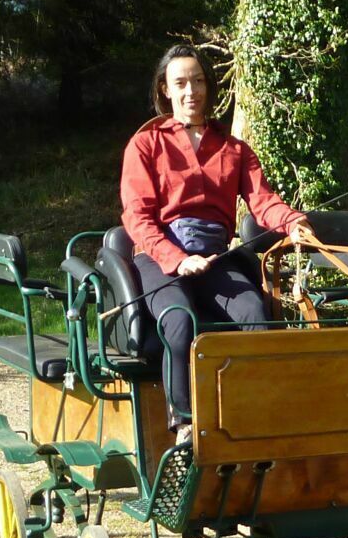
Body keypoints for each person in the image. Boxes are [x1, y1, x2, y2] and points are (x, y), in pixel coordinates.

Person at [119, 46, 307, 443]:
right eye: (181, 83)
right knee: (178, 317)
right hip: (159, 253)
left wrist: (293, 223)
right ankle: (184, 425)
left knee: (256, 312)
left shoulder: (234, 149)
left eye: (199, 81)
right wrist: (177, 259)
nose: (192, 91)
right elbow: (137, 217)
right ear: (165, 90)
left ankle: (253, 414)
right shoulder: (146, 145)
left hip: (216, 254)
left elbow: (263, 201)